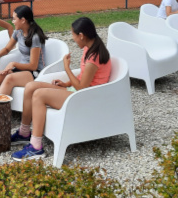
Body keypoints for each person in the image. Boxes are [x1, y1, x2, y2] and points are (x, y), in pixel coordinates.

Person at [9, 17, 112, 161]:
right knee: (31, 86)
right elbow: (84, 77)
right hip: (78, 92)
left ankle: (36, 147)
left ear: (81, 35)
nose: (73, 38)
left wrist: (67, 68)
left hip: (85, 98)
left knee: (39, 95)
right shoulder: (90, 48)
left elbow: (82, 86)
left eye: (74, 35)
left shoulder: (94, 57)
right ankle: (24, 132)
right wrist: (66, 83)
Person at [0, 5, 47, 97]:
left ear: (23, 20)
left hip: (35, 72)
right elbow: (7, 49)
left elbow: (33, 66)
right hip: (22, 69)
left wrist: (14, 64)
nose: (12, 22)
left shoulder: (35, 37)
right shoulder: (18, 32)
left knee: (9, 78)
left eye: (14, 19)